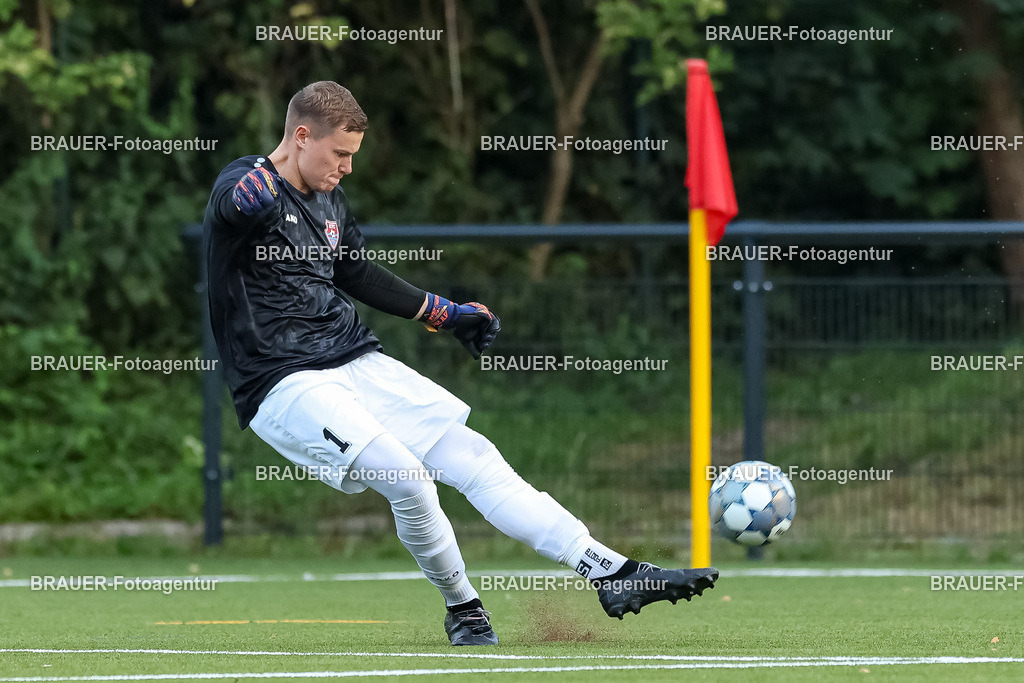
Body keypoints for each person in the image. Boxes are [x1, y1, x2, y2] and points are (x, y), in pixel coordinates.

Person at [202, 80, 718, 646]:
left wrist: (444, 312)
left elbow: (357, 274)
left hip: (352, 359)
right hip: (282, 381)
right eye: (340, 154)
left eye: (353, 156)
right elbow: (234, 204)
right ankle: (464, 609)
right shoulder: (246, 185)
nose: (347, 168)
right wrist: (246, 194)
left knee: (476, 457)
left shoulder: (329, 199)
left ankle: (612, 573)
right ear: (301, 137)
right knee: (411, 481)